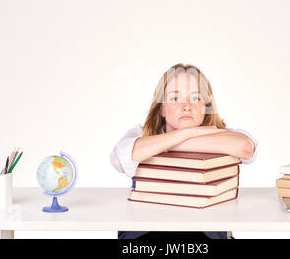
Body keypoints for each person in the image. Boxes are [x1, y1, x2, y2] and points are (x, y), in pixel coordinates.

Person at [110, 63, 258, 240]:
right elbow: (121, 157)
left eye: (195, 98)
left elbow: (245, 148)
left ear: (206, 105)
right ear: (162, 108)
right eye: (175, 99)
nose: (186, 106)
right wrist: (188, 132)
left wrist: (170, 141)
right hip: (146, 237)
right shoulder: (139, 134)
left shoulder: (222, 133)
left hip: (206, 235)